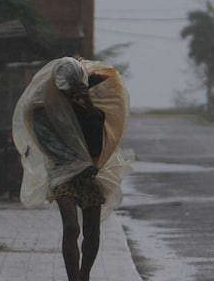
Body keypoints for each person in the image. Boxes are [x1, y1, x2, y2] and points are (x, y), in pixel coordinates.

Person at [12, 57, 131, 281]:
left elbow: (97, 144)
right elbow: (51, 147)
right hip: (62, 172)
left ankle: (84, 274)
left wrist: (87, 108)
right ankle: (73, 278)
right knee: (71, 226)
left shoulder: (92, 108)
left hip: (91, 173)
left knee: (92, 230)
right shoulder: (42, 110)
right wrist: (79, 165)